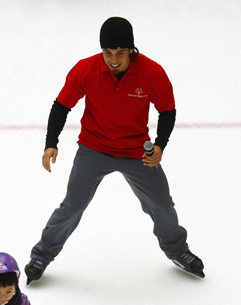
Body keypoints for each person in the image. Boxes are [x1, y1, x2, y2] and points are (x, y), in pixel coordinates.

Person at [25, 16, 204, 284]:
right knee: (73, 205)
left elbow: (167, 111)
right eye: (107, 52)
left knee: (161, 203)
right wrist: (51, 143)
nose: (114, 59)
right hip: (94, 147)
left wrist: (159, 145)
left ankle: (178, 251)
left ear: (132, 49)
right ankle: (41, 256)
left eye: (120, 52)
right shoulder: (85, 70)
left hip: (136, 151)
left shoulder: (152, 72)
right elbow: (61, 106)